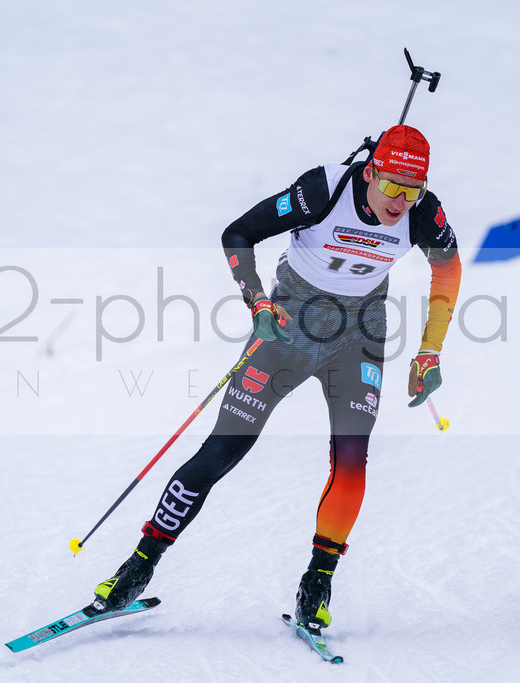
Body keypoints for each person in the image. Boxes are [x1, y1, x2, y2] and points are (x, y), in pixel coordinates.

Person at [87, 124, 462, 632]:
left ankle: (317, 583)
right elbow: (238, 233)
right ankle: (138, 565)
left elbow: (448, 271)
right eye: (392, 185)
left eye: (412, 190)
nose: (400, 202)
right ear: (370, 172)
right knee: (222, 450)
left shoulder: (422, 212)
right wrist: (257, 300)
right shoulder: (323, 190)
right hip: (288, 330)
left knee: (352, 459)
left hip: (358, 339)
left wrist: (430, 350)